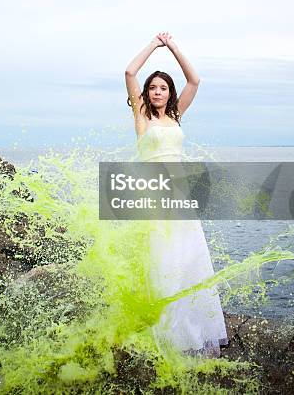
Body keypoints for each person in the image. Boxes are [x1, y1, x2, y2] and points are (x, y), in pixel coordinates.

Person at [125, 32, 229, 358]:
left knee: (188, 257)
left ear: (169, 93)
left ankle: (192, 328)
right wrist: (154, 45)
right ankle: (165, 331)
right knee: (162, 258)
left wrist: (173, 47)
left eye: (163, 88)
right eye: (153, 87)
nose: (157, 92)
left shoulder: (176, 116)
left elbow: (195, 80)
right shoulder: (141, 115)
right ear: (146, 93)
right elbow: (129, 73)